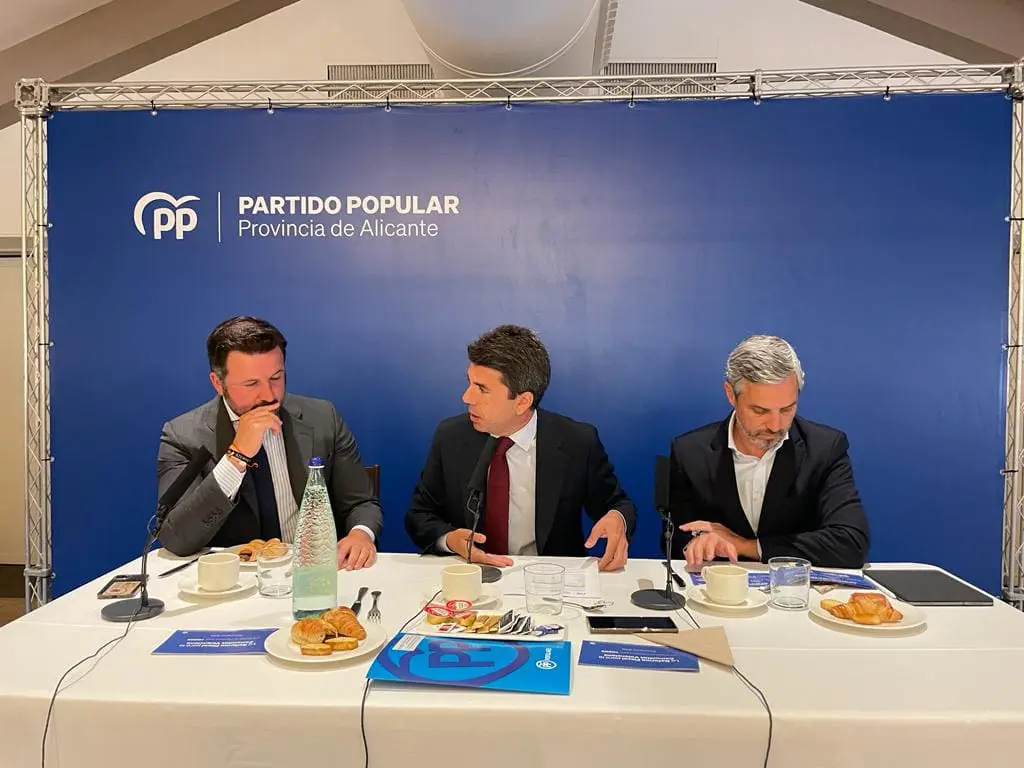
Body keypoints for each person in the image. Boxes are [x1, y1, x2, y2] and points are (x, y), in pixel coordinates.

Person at [155, 316, 383, 570]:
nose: (269, 395)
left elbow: (361, 503)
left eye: (276, 377)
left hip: (313, 571)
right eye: (251, 383)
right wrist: (236, 456)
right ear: (218, 383)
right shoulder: (183, 436)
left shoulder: (323, 418)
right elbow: (177, 539)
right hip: (234, 579)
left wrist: (361, 534)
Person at [405, 324, 636, 571]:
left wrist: (618, 519)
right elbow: (419, 515)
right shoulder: (451, 437)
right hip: (471, 576)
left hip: (549, 579)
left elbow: (618, 504)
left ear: (522, 402)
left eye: (482, 389)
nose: (466, 397)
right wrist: (450, 540)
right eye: (469, 383)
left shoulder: (577, 442)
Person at [668, 334, 870, 569]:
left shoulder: (825, 449)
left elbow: (851, 543)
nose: (776, 426)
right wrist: (699, 543)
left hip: (797, 589)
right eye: (760, 411)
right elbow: (676, 538)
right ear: (731, 394)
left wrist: (747, 546)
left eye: (787, 409)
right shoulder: (689, 452)